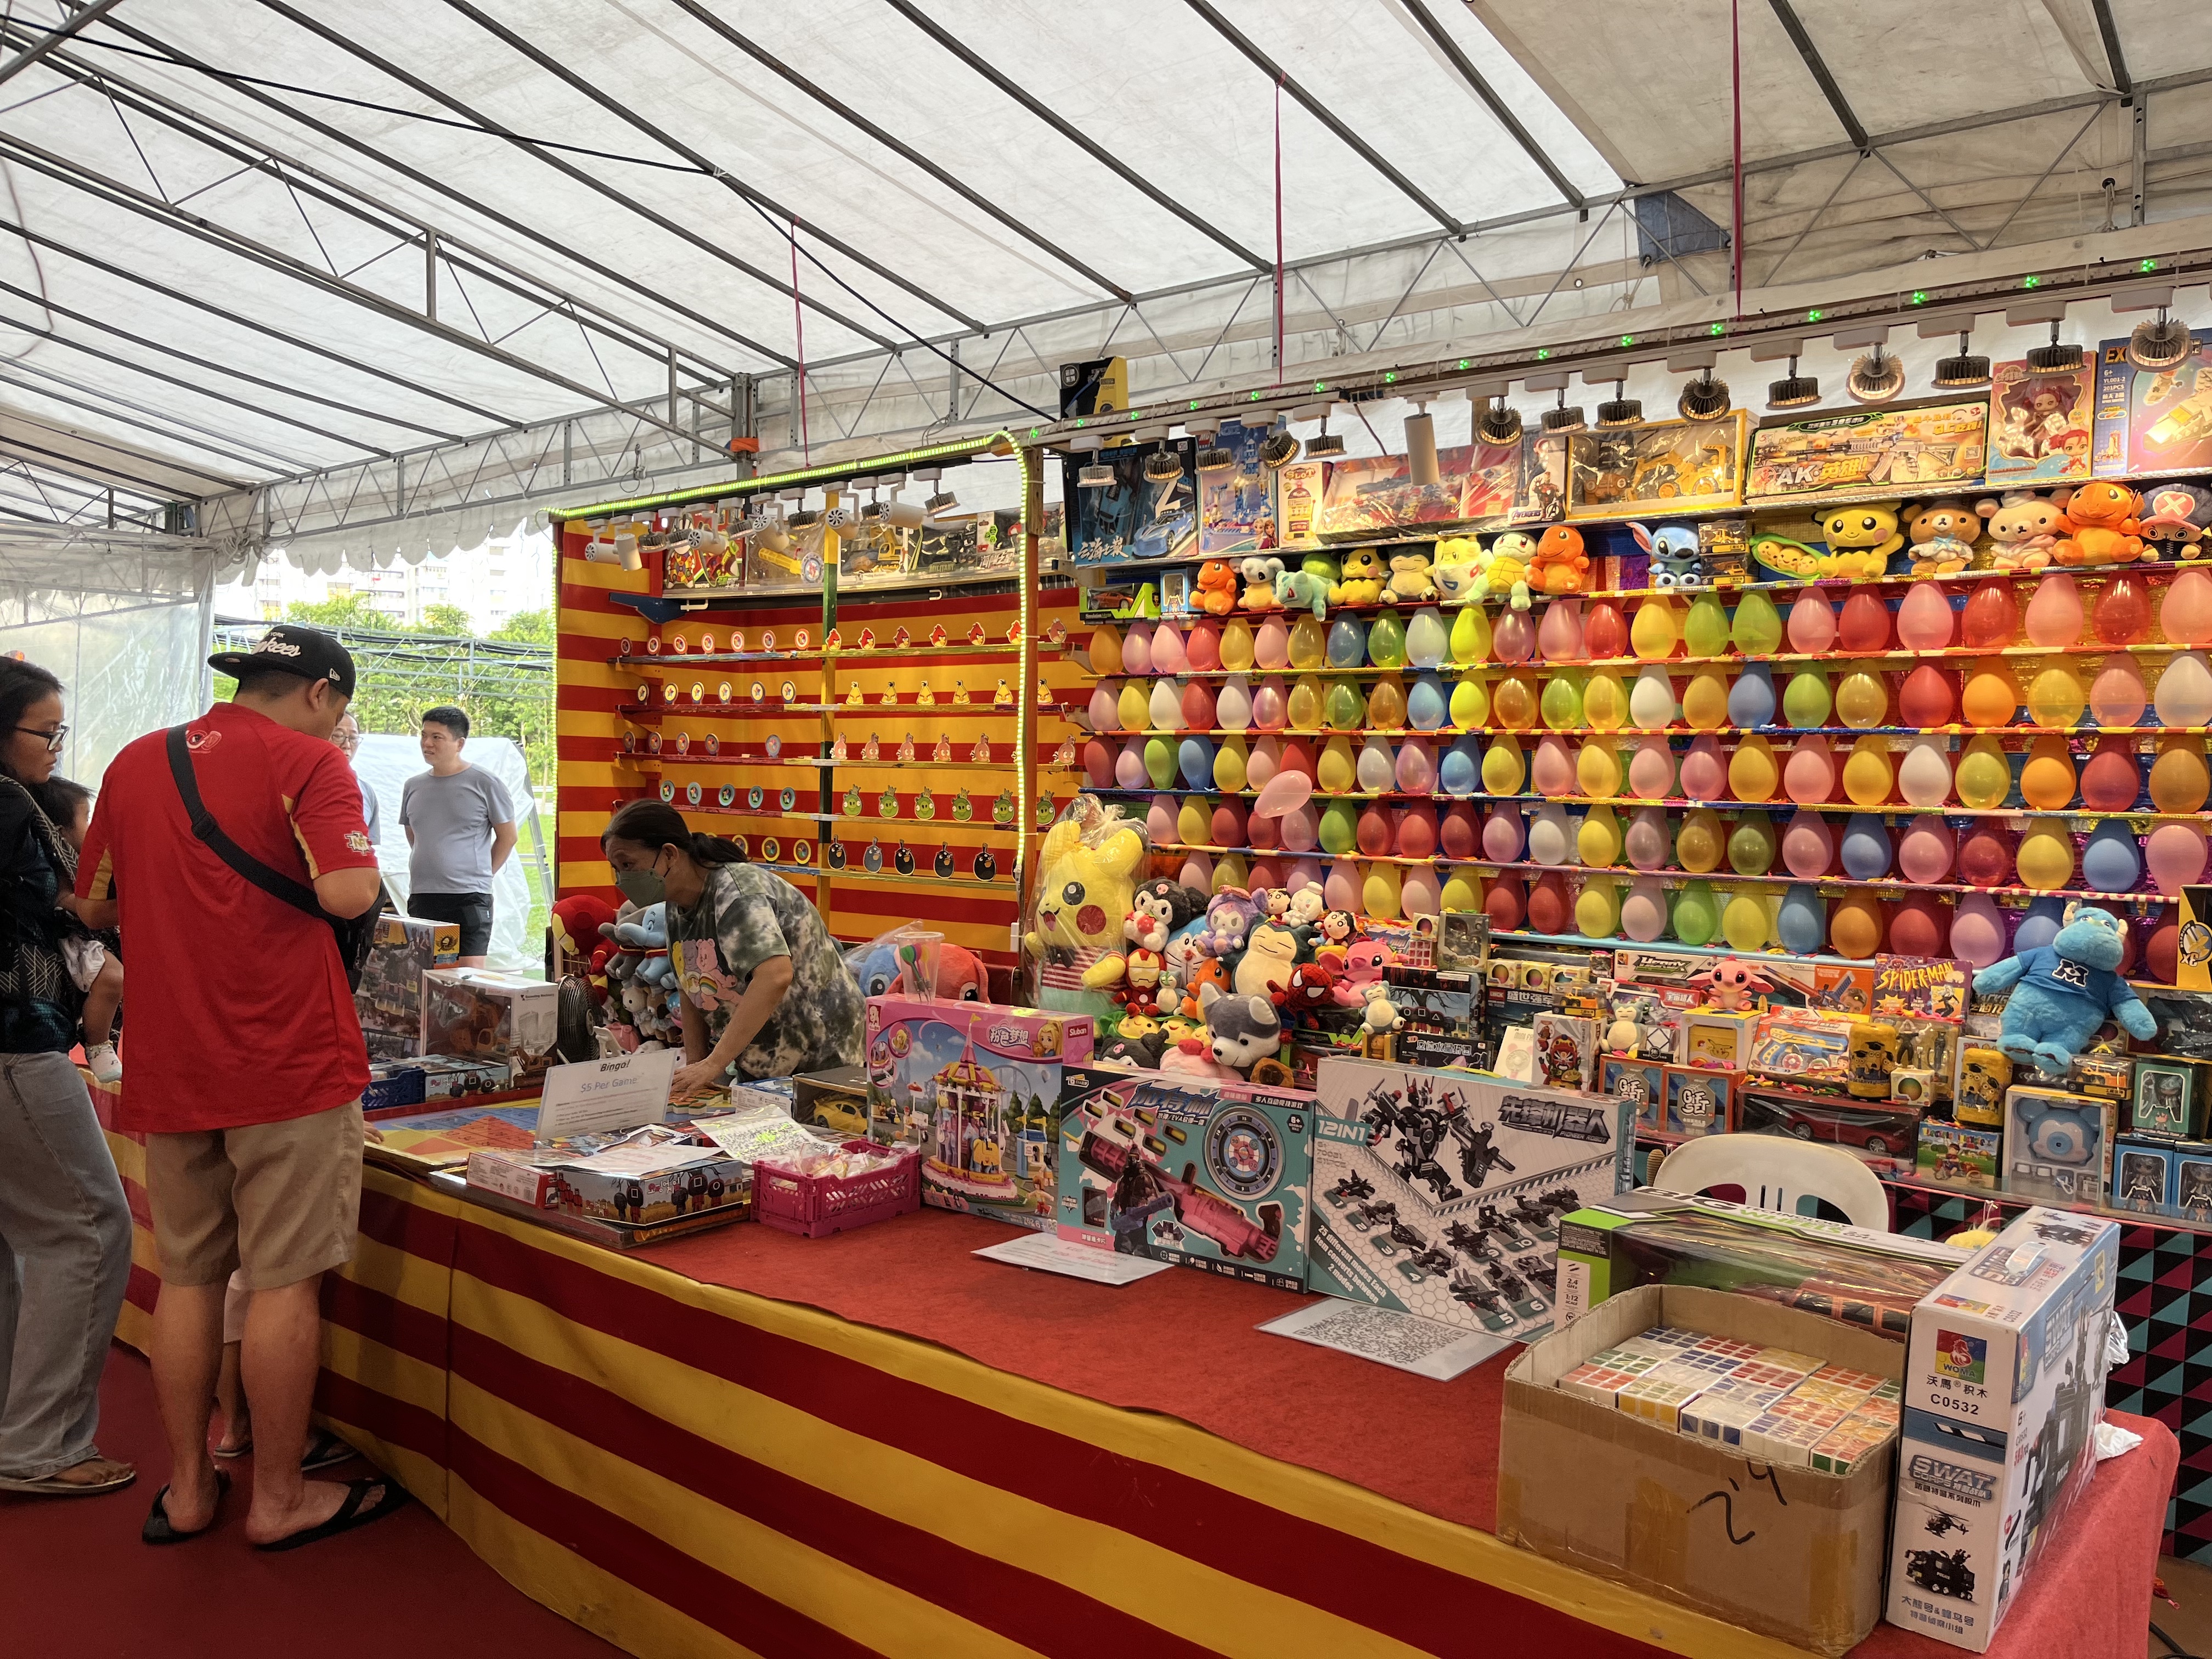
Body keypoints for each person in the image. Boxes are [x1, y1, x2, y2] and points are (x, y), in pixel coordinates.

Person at [76, 624, 405, 1549]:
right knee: (283, 1282)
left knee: (188, 1276)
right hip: (290, 1059)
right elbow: (346, 892)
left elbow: (95, 902)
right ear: (320, 693)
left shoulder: (139, 761)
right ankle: (279, 1495)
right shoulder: (312, 760)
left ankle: (188, 1489)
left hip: (172, 1056)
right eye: (341, 707)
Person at [0, 658, 134, 1498]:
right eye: (44, 733)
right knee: (89, 1226)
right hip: (17, 1036)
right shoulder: (10, 806)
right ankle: (42, 1445)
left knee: (20, 1236)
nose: (55, 747)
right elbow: (82, 910)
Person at [600, 799, 862, 1094]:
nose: (622, 878)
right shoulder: (676, 906)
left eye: (627, 865)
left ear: (670, 855)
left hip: (826, 1063)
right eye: (616, 868)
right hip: (767, 1068)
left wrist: (713, 1064)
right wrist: (696, 1067)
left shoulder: (737, 892)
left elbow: (775, 976)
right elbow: (691, 986)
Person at [400, 705, 514, 969]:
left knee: (467, 981)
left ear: (459, 743)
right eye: (424, 735)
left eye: (437, 737)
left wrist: (482, 873)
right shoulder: (413, 786)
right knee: (425, 975)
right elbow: (414, 833)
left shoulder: (485, 782)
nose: (427, 743)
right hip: (423, 895)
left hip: (468, 897)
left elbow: (507, 837)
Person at [38, 778, 123, 1085]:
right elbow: (63, 899)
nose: (92, 826)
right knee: (114, 978)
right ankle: (98, 1044)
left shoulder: (84, 859)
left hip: (91, 935)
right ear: (60, 832)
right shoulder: (58, 862)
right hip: (74, 937)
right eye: (86, 818)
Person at [331, 712, 380, 848]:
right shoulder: (305, 785)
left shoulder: (366, 792)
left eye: (353, 738)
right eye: (338, 736)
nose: (347, 745)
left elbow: (366, 845)